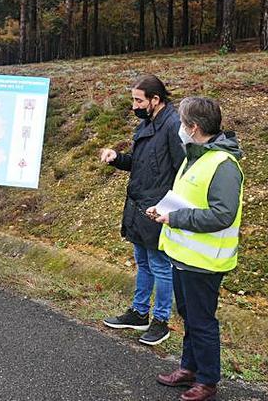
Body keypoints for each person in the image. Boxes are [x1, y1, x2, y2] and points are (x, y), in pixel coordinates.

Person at [150, 96, 244, 401]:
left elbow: (221, 214)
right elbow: (190, 198)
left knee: (202, 322)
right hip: (183, 255)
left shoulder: (223, 165)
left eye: (180, 121)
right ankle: (188, 368)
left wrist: (174, 217)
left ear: (193, 127)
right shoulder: (197, 155)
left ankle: (207, 380)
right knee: (189, 315)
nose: (177, 126)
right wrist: (163, 209)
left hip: (204, 261)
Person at [100, 75, 184, 346]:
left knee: (161, 266)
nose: (134, 105)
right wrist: (118, 159)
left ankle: (161, 321)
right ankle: (138, 313)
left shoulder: (173, 126)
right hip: (139, 205)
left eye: (138, 100)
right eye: (133, 99)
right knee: (144, 262)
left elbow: (183, 172)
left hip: (158, 208)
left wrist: (168, 208)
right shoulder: (148, 123)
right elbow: (141, 163)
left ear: (155, 100)